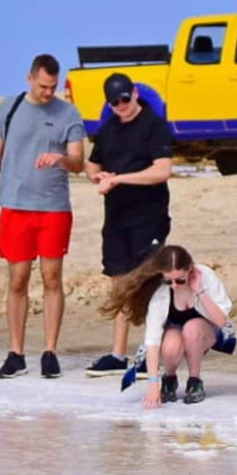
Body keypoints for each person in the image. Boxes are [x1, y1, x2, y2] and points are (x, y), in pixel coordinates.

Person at [0, 53, 86, 379]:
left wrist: (59, 159)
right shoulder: (10, 107)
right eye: (43, 86)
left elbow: (78, 162)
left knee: (52, 277)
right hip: (15, 206)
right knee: (18, 279)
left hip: (54, 208)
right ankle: (16, 353)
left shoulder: (68, 113)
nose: (48, 92)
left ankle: (50, 352)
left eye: (53, 87)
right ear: (30, 79)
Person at [82, 73, 174, 379]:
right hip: (116, 217)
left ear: (134, 93)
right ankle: (117, 354)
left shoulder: (153, 125)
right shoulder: (109, 128)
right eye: (115, 102)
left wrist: (120, 179)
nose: (121, 105)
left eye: (125, 99)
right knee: (118, 282)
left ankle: (152, 353)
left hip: (148, 217)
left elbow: (162, 170)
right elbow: (93, 162)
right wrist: (97, 176)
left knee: (148, 282)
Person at [102, 244, 233, 408]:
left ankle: (194, 380)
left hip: (206, 331)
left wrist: (199, 291)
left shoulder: (205, 276)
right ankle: (169, 378)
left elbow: (221, 321)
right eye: (168, 281)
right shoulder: (160, 292)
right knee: (171, 345)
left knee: (192, 329)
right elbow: (152, 340)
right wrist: (153, 386)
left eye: (180, 280)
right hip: (173, 332)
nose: (174, 286)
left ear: (190, 269)